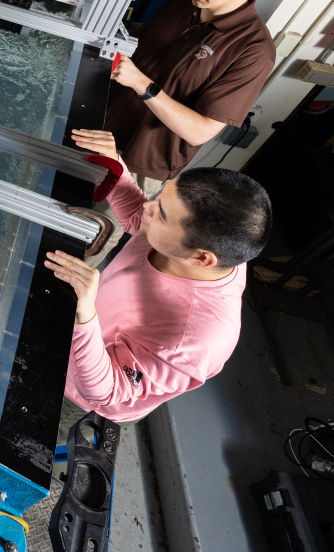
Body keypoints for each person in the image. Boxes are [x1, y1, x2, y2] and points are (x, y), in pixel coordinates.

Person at [47, 128, 271, 434]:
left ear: (201, 258)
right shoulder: (205, 246)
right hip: (79, 334)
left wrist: (84, 313)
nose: (148, 208)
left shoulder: (196, 340)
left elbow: (104, 390)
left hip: (79, 396)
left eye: (162, 214)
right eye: (161, 197)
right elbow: (140, 220)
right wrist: (116, 167)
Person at [104, 0, 276, 195]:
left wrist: (142, 84)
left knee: (96, 229)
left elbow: (199, 131)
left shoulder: (253, 50)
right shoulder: (181, 2)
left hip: (139, 163)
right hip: (102, 127)